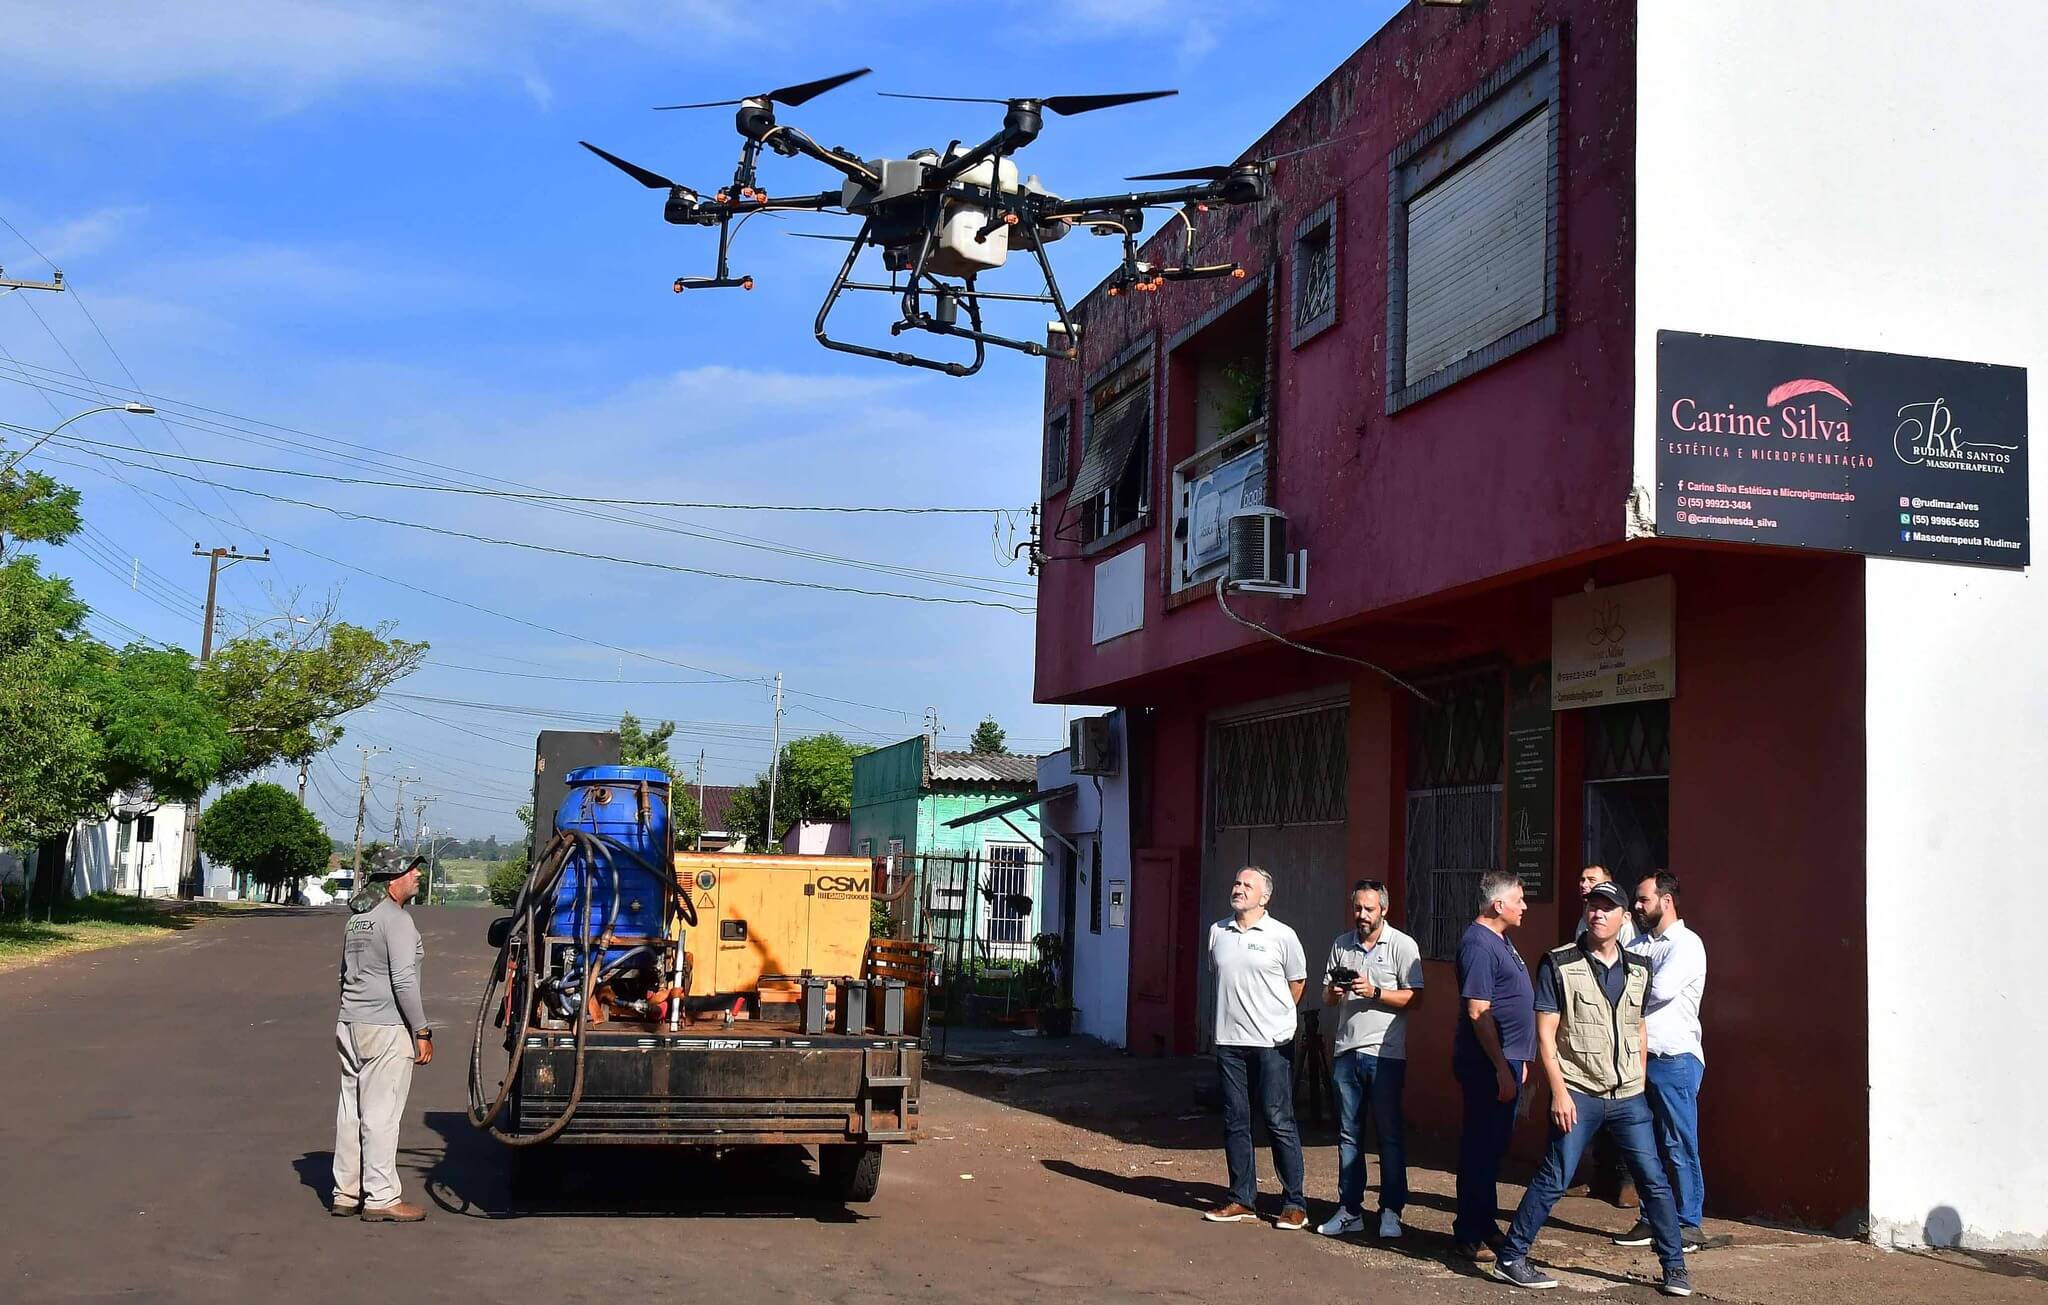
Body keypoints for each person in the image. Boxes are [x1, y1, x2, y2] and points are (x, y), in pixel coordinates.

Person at [1489, 882, 1691, 1296]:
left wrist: (1637, 1073)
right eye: (1592, 907)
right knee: (1555, 1176)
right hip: (1579, 1090)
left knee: (1652, 1178)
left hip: (1627, 1096)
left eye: (1607, 908)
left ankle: (1675, 1266)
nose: (1597, 914)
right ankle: (1511, 1257)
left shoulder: (1639, 967)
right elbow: (1546, 1036)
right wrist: (1559, 1092)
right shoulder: (1559, 964)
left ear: (1623, 918)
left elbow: (1638, 1024)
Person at [1316, 879, 1425, 1240]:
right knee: (1349, 1135)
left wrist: (1375, 991)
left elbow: (1415, 998)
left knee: (1389, 1136)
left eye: (1369, 909)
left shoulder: (1402, 945)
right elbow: (1327, 998)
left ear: (1384, 910)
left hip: (1385, 1053)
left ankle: (1391, 1211)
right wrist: (1333, 993)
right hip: (1346, 1051)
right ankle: (1349, 1209)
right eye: (1358, 908)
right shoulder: (1341, 944)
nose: (1362, 915)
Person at [1202, 865, 1309, 1230]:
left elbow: (1298, 982)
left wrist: (1277, 1019)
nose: (1239, 889)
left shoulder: (1282, 936)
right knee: (1235, 1121)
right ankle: (1241, 1198)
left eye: (1248, 885)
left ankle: (1294, 1203)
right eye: (1236, 882)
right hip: (1230, 1042)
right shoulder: (1218, 932)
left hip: (1271, 1044)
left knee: (1279, 1119)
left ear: (1265, 897)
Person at [332, 848, 433, 1222]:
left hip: (351, 1023)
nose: (418, 875)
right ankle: (381, 1197)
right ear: (393, 878)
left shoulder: (358, 921)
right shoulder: (397, 920)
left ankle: (345, 1192)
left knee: (350, 1112)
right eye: (411, 870)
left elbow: (344, 974)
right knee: (381, 1114)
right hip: (387, 1028)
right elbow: (404, 981)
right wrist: (421, 1030)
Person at [1615, 871, 1709, 1251]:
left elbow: (1658, 990)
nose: (1637, 907)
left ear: (1666, 901)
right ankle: (1651, 1218)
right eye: (1637, 901)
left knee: (1678, 1143)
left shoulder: (1685, 944)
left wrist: (1625, 988)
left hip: (1675, 1058)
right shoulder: (1639, 943)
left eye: (1643, 900)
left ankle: (1688, 1224)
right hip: (1639, 1058)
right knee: (1644, 1144)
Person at [1452, 870, 1536, 1263]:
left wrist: (1518, 1059)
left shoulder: (1501, 939)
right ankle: (1469, 1232)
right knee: (1480, 1150)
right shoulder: (1479, 945)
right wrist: (1502, 1067)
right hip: (1487, 1065)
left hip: (1506, 1061)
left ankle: (1484, 1223)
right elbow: (1478, 1010)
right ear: (1498, 905)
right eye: (1519, 899)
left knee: (1492, 1149)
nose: (1525, 906)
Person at [1572, 864, 1638, 1209]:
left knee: (1622, 1113)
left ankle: (1627, 1180)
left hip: (1616, 1033)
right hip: (1588, 1033)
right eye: (1582, 881)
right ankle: (1597, 1176)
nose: (1584, 885)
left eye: (1592, 880)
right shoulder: (1584, 922)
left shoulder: (1623, 928)